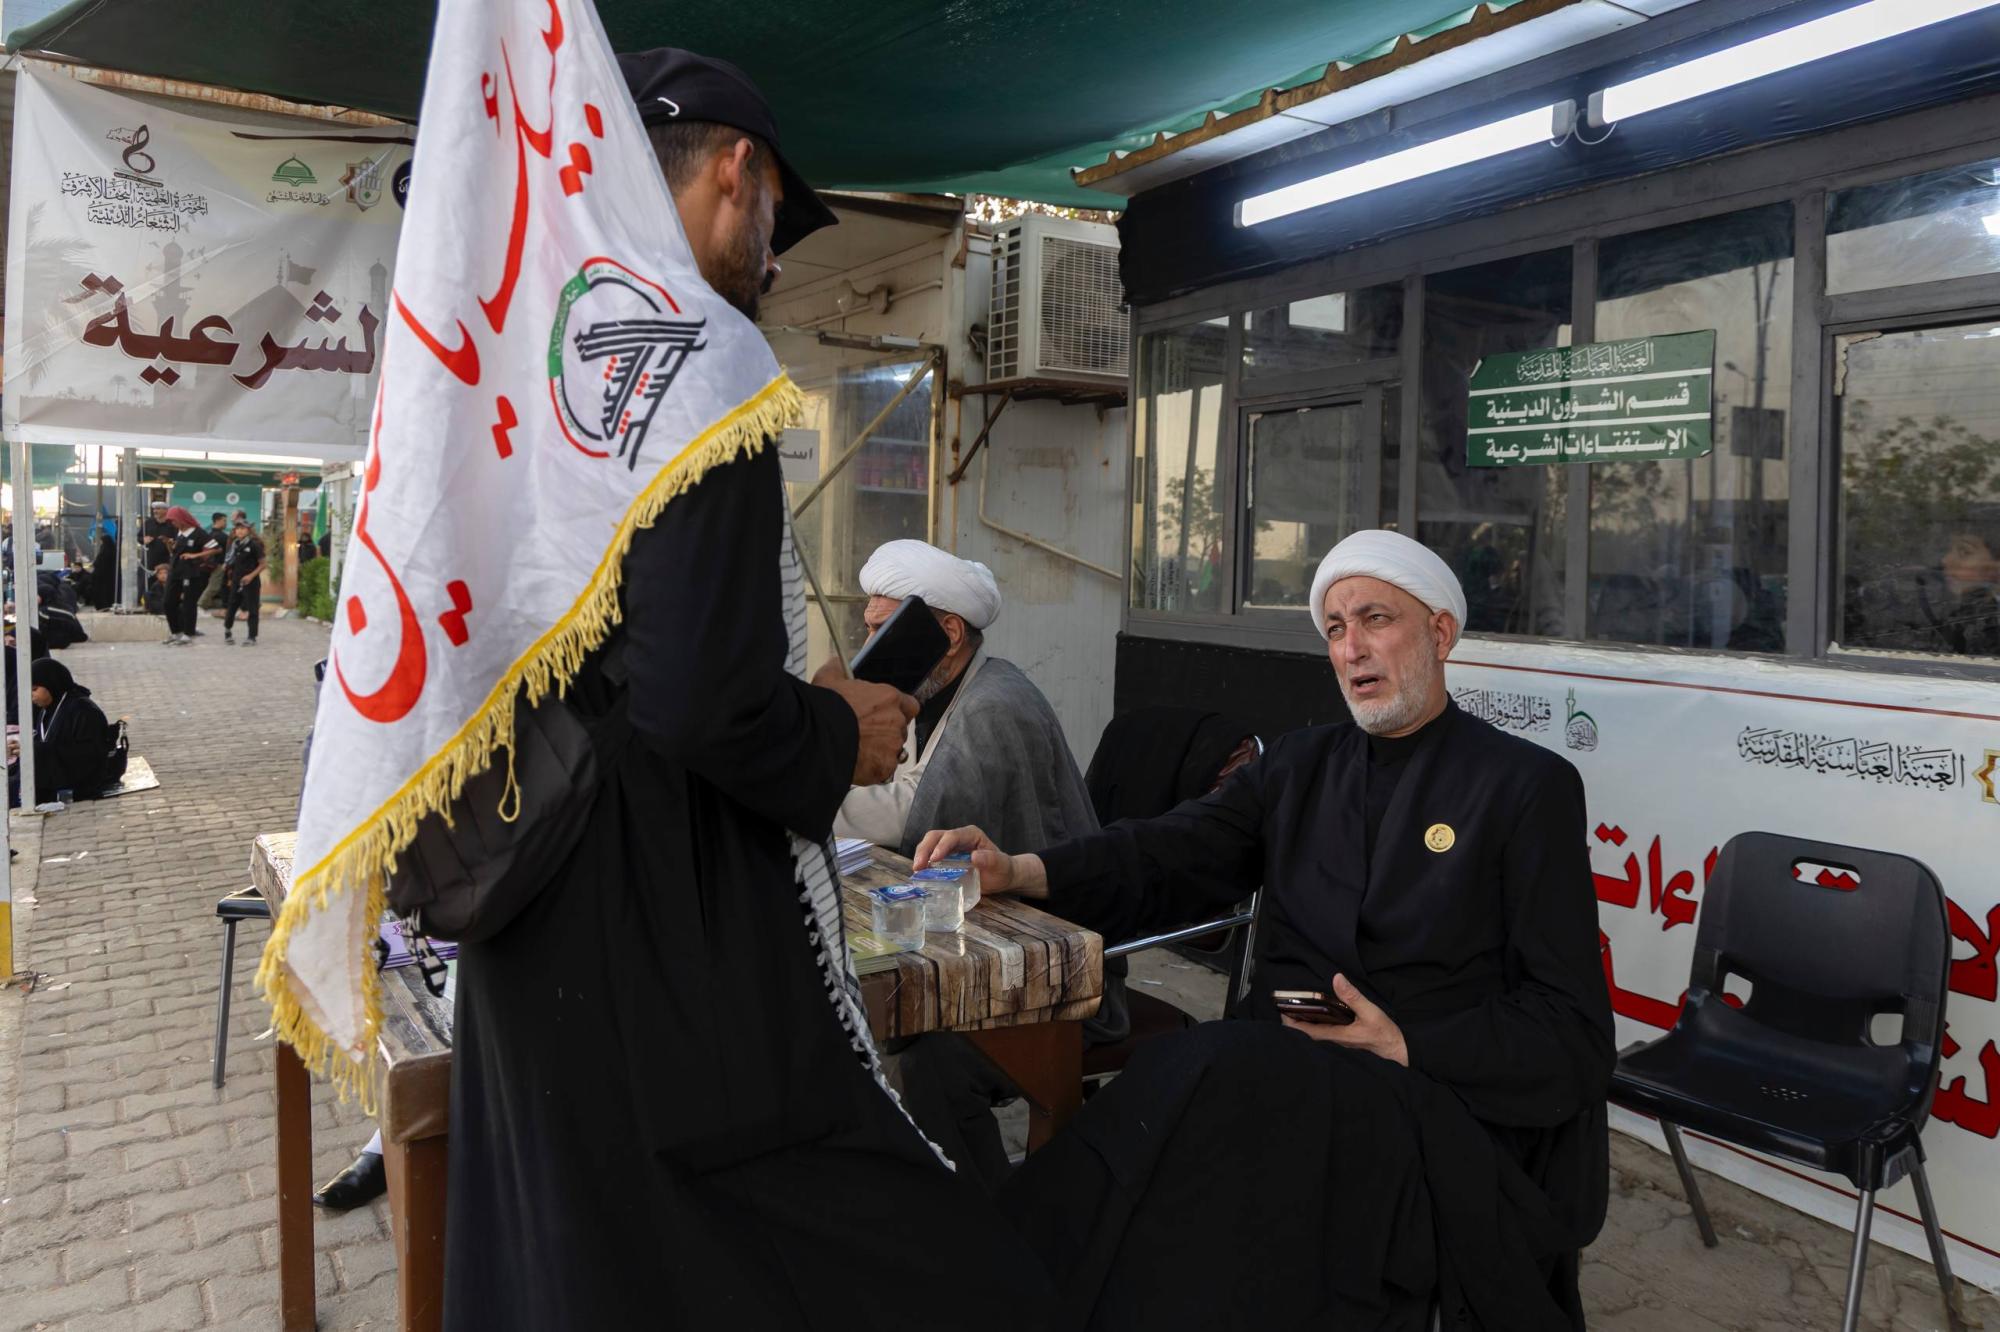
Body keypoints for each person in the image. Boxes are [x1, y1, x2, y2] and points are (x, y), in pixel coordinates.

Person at [440, 49, 1051, 1332]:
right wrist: (837, 726)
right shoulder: (694, 351)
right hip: (657, 933)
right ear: (738, 172)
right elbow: (700, 704)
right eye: (775, 222)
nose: (771, 263)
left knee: (582, 1265)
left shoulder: (525, 363)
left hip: (530, 908)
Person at [919, 528, 1615, 1330]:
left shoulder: (1525, 787)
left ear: (1440, 633)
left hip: (1425, 1106)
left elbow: (1571, 1031)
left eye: (1376, 620)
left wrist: (1407, 1042)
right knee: (1169, 1140)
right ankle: (1000, 1287)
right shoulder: (1298, 766)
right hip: (1277, 1082)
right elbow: (1169, 851)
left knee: (1208, 1084)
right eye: (1336, 629)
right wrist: (1022, 869)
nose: (1352, 648)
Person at [834, 539, 1095, 857]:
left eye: (884, 629)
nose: (869, 647)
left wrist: (800, 800)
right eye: (868, 629)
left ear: (951, 634)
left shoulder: (994, 704)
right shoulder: (925, 688)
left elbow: (924, 809)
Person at [9, 657, 110, 805]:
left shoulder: (83, 711)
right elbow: (44, 742)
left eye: (35, 689)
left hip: (77, 783)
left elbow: (87, 756)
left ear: (51, 684)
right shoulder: (48, 709)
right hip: (52, 777)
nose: (31, 695)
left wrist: (36, 750)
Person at [161, 506, 216, 645]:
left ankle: (188, 634)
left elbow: (216, 549)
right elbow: (174, 552)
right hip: (175, 571)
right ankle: (176, 632)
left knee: (188, 604)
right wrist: (169, 544)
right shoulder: (179, 533)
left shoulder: (198, 533)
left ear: (182, 519)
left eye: (174, 520)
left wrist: (195, 555)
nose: (173, 523)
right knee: (168, 602)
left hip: (190, 573)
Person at [223, 519, 266, 646]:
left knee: (252, 609)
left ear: (248, 530)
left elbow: (263, 564)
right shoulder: (234, 544)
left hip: (251, 581)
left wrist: (250, 576)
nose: (240, 531)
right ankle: (227, 631)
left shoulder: (254, 545)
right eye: (238, 528)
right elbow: (230, 562)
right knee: (232, 606)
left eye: (243, 528)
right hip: (236, 580)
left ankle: (252, 637)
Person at [199, 513, 231, 611]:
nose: (226, 523)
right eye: (224, 520)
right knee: (214, 587)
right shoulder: (221, 536)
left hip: (211, 565)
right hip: (218, 565)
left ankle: (206, 605)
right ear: (217, 521)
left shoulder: (210, 534)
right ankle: (201, 605)